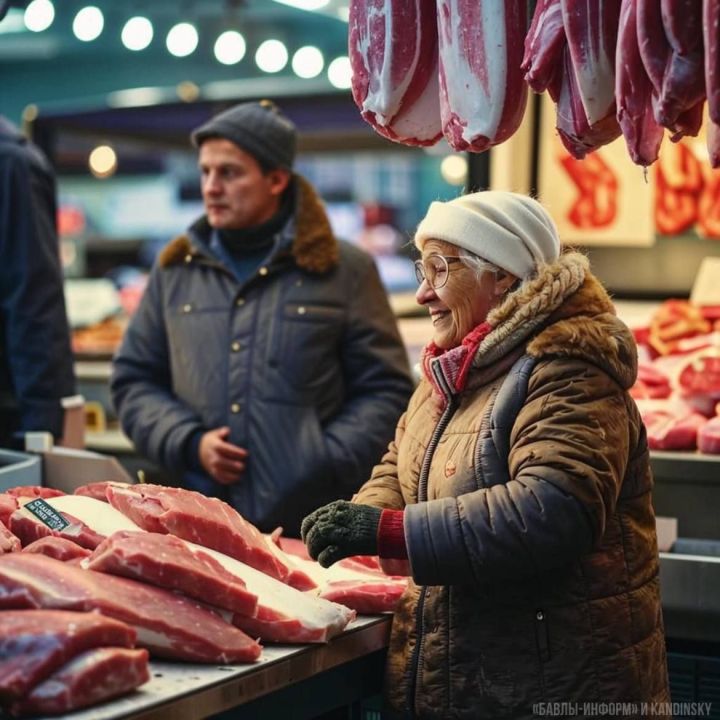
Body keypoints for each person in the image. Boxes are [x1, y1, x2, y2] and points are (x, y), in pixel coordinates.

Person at [302, 191, 670, 718]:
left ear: (501, 277)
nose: (424, 292)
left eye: (440, 269)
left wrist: (388, 531)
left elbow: (554, 508)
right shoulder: (452, 367)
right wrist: (363, 514)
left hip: (550, 684)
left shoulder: (568, 366)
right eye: (420, 268)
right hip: (462, 675)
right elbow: (400, 461)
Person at [111, 100, 414, 537]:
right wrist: (187, 441)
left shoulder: (344, 269)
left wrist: (319, 459)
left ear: (276, 179)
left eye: (229, 172)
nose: (211, 187)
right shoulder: (176, 269)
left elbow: (385, 392)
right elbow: (134, 380)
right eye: (205, 171)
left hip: (310, 524)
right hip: (193, 521)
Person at [0, 116, 75, 448]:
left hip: (9, 418)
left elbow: (33, 298)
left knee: (29, 500)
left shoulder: (13, 165)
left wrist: (42, 428)